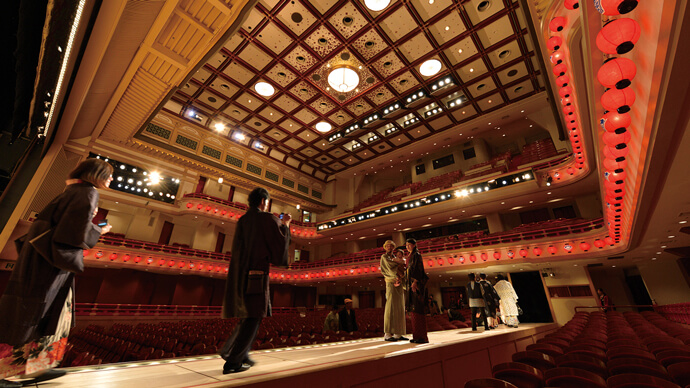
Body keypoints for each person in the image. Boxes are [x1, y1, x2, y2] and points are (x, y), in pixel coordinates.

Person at [0, 158, 114, 388]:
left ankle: (36, 368)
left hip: (40, 259)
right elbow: (72, 234)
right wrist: (99, 230)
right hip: (49, 266)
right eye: (109, 174)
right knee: (36, 316)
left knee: (44, 317)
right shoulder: (88, 193)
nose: (111, 179)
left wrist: (93, 228)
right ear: (97, 174)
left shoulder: (70, 191)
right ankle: (6, 374)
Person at [220, 188, 291, 374]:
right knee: (253, 316)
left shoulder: (243, 220)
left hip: (239, 275)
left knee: (248, 316)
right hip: (256, 276)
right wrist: (285, 225)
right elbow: (279, 244)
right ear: (263, 201)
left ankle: (239, 355)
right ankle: (233, 361)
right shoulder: (266, 218)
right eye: (267, 202)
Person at [379, 240, 407, 342]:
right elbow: (389, 268)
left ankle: (398, 333)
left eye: (391, 246)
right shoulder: (384, 257)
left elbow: (401, 266)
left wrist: (399, 272)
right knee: (390, 307)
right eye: (387, 246)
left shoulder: (394, 257)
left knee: (400, 306)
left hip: (399, 283)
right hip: (391, 283)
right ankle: (387, 333)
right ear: (385, 247)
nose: (389, 247)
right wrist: (397, 272)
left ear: (393, 247)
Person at [405, 238, 429, 343]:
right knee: (413, 311)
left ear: (414, 245)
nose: (407, 247)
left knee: (418, 310)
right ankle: (416, 336)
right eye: (406, 245)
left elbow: (419, 270)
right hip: (410, 285)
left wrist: (415, 282)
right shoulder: (410, 256)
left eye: (409, 245)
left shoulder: (417, 255)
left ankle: (422, 337)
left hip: (416, 284)